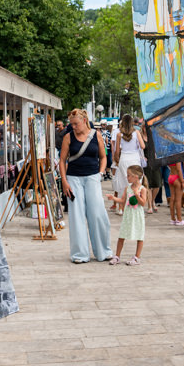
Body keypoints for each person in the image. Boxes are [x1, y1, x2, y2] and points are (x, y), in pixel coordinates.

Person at [59, 109, 111, 264]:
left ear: (84, 121)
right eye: (71, 124)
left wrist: (101, 174)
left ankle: (104, 251)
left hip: (92, 177)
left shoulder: (97, 135)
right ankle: (80, 254)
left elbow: (103, 157)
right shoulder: (68, 137)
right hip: (73, 178)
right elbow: (62, 160)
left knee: (97, 213)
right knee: (76, 216)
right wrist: (64, 181)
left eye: (75, 124)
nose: (73, 127)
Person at [107, 164, 147, 266]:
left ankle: (137, 257)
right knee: (122, 235)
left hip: (137, 215)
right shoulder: (127, 188)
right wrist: (113, 198)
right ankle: (117, 256)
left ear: (136, 177)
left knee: (139, 235)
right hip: (128, 215)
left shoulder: (142, 189)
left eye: (129, 175)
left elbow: (143, 203)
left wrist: (137, 195)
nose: (127, 177)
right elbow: (122, 200)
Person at [113, 114, 146, 206]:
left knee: (125, 182)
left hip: (124, 158)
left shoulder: (119, 134)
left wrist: (117, 161)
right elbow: (143, 146)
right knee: (137, 181)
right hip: (134, 158)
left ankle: (123, 206)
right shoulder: (136, 133)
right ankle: (135, 202)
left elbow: (117, 151)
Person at [168, 160, 184, 226]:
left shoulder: (170, 155)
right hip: (177, 177)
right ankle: (179, 219)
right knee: (178, 200)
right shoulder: (178, 157)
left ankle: (173, 219)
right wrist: (182, 181)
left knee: (172, 198)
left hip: (170, 176)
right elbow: (179, 169)